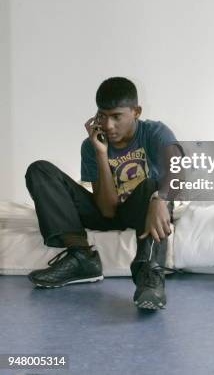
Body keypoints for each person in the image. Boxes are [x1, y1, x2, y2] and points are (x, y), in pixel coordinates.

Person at [26, 77, 181, 310]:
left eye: (117, 116)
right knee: (39, 170)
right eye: (103, 115)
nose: (108, 125)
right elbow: (107, 210)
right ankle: (81, 258)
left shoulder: (154, 133)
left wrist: (161, 198)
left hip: (142, 208)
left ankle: (149, 275)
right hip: (106, 211)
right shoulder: (91, 145)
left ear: (136, 111)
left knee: (153, 185)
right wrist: (101, 153)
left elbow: (178, 170)